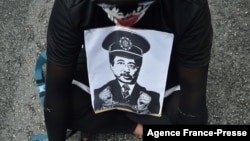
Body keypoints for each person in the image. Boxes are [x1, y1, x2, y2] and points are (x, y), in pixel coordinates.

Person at [44, 0, 213, 140]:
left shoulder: (190, 6)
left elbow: (194, 94)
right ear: (111, 63)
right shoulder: (71, 5)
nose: (124, 14)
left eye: (132, 64)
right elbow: (56, 89)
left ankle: (108, 124)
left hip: (163, 74)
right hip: (95, 71)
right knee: (63, 102)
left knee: (184, 111)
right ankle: (137, 127)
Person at [93, 30, 160, 114]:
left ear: (138, 68)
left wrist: (144, 110)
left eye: (131, 65)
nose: (126, 70)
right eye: (120, 63)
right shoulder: (98, 93)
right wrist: (105, 106)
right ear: (112, 65)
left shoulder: (153, 97)